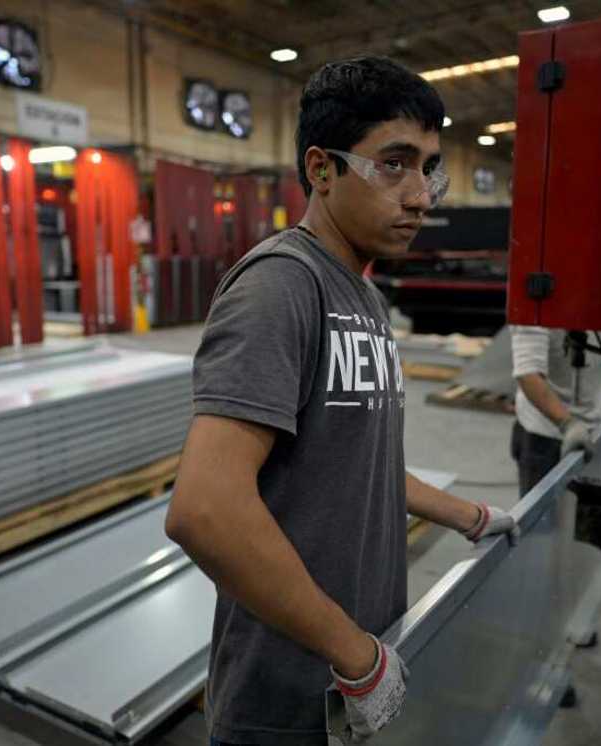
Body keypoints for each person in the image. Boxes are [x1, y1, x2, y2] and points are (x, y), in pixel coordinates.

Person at [166, 57, 518, 746]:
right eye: (394, 165)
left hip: (348, 683)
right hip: (284, 700)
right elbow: (205, 510)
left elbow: (356, 461)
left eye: (429, 169)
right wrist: (355, 658)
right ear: (322, 170)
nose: (421, 196)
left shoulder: (359, 292)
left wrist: (469, 515)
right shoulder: (281, 288)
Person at [510, 327, 601, 495]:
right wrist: (567, 423)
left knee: (585, 511)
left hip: (594, 426)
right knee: (543, 515)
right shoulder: (539, 305)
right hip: (543, 434)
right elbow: (528, 374)